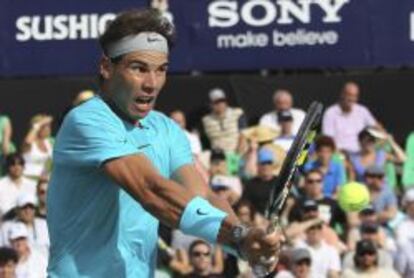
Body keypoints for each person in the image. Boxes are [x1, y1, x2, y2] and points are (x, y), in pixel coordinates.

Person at [46, 9, 282, 278]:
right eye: (138, 68)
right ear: (106, 67)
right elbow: (152, 191)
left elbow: (201, 197)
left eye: (161, 70)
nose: (152, 83)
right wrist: (238, 236)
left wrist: (246, 240)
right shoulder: (87, 120)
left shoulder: (165, 128)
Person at [322, 81, 378, 154]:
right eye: (349, 95)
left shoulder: (362, 111)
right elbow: (328, 140)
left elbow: (376, 127)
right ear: (342, 94)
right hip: (341, 155)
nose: (351, 99)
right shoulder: (330, 113)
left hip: (362, 154)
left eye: (354, 96)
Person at [0, 194, 49, 258]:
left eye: (31, 207)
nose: (28, 211)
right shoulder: (6, 227)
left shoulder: (44, 224)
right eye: (24, 207)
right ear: (17, 210)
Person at [202, 88, 246, 153]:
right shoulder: (205, 120)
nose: (220, 104)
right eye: (216, 102)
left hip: (236, 151)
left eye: (222, 101)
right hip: (217, 155)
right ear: (210, 104)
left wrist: (237, 154)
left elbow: (243, 135)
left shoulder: (238, 113)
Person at [21, 114, 53, 180]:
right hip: (28, 178)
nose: (48, 129)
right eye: (44, 126)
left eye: (49, 126)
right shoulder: (29, 142)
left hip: (45, 180)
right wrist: (39, 124)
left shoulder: (49, 142)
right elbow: (28, 142)